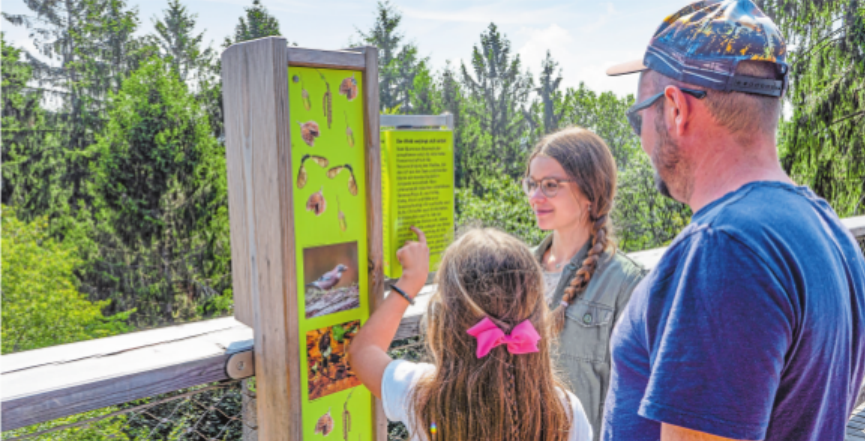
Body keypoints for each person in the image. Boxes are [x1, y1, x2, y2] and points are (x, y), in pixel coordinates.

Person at [600, 1, 865, 440]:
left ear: (676, 110)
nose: (643, 136)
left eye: (638, 117)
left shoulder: (725, 248)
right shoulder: (830, 232)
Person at [348, 227, 593, 441]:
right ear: (537, 314)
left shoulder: (420, 393)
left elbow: (362, 352)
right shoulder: (566, 411)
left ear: (444, 320)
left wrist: (410, 282)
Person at [524, 127, 646, 440]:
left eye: (551, 185)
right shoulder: (517, 271)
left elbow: (634, 402)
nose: (535, 197)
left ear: (590, 191)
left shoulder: (626, 284)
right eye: (532, 184)